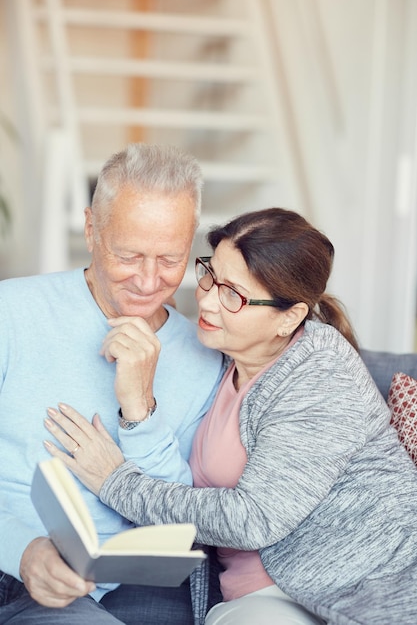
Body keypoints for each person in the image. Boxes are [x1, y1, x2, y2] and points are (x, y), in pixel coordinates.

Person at [45, 206, 417, 625]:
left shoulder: (321, 373)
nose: (204, 298)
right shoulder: (220, 356)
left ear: (289, 317)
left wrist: (116, 482)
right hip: (259, 597)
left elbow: (253, 519)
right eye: (210, 274)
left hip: (358, 593)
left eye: (233, 294)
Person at [0, 143, 224, 624]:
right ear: (90, 229)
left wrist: (139, 407)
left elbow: (175, 521)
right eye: (129, 255)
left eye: (170, 259)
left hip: (67, 594)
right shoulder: (10, 312)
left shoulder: (205, 362)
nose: (148, 281)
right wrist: (21, 550)